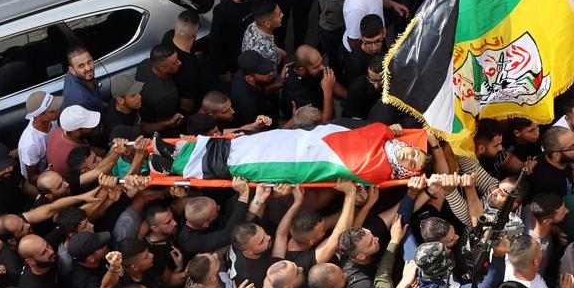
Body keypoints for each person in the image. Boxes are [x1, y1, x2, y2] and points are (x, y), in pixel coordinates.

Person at [150, 121, 426, 185]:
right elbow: (374, 130)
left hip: (307, 161)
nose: (411, 157)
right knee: (244, 144)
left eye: (414, 164)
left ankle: (174, 167)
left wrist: (388, 133)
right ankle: (178, 151)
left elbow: (362, 164)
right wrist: (393, 132)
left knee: (242, 161)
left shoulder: (381, 169)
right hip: (309, 139)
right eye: (415, 152)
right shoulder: (385, 135)